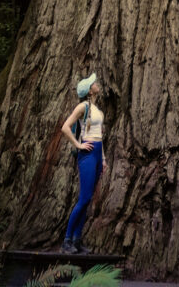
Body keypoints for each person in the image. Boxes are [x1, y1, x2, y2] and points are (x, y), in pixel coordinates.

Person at [60, 71, 107, 254]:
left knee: (87, 200)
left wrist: (102, 159)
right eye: (93, 83)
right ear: (89, 91)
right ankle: (67, 241)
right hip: (86, 154)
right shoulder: (82, 107)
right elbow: (65, 127)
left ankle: (77, 240)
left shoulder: (97, 110)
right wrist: (78, 145)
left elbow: (100, 135)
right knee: (84, 198)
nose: (97, 84)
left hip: (96, 153)